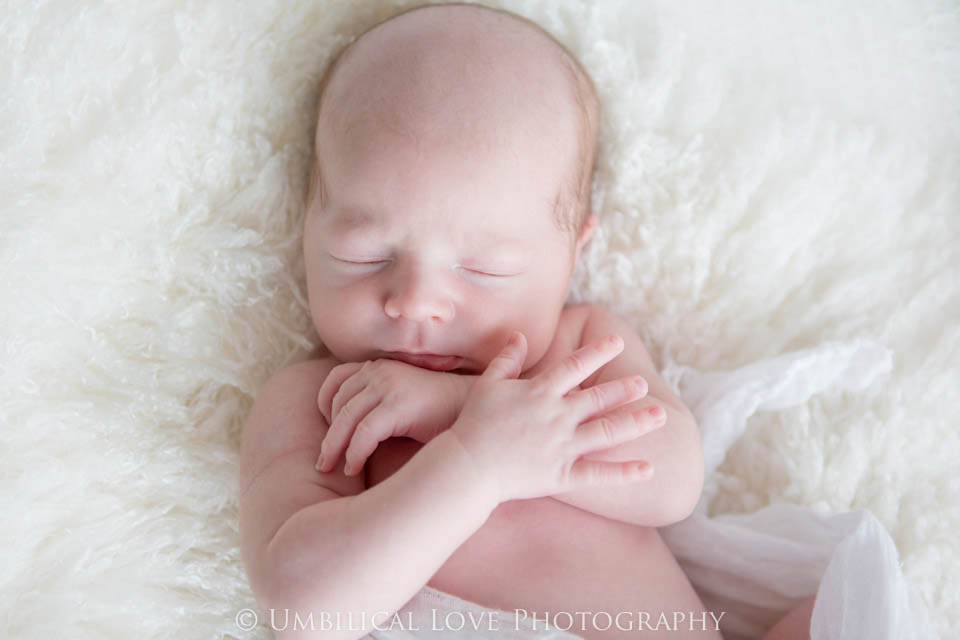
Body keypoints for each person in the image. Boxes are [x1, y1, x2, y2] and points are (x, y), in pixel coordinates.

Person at [238, 3, 815, 638]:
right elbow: (304, 610)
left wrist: (460, 407)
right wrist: (473, 463)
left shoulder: (581, 346)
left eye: (483, 268)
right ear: (307, 229)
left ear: (571, 255)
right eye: (364, 254)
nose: (417, 301)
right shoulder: (321, 404)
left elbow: (672, 483)